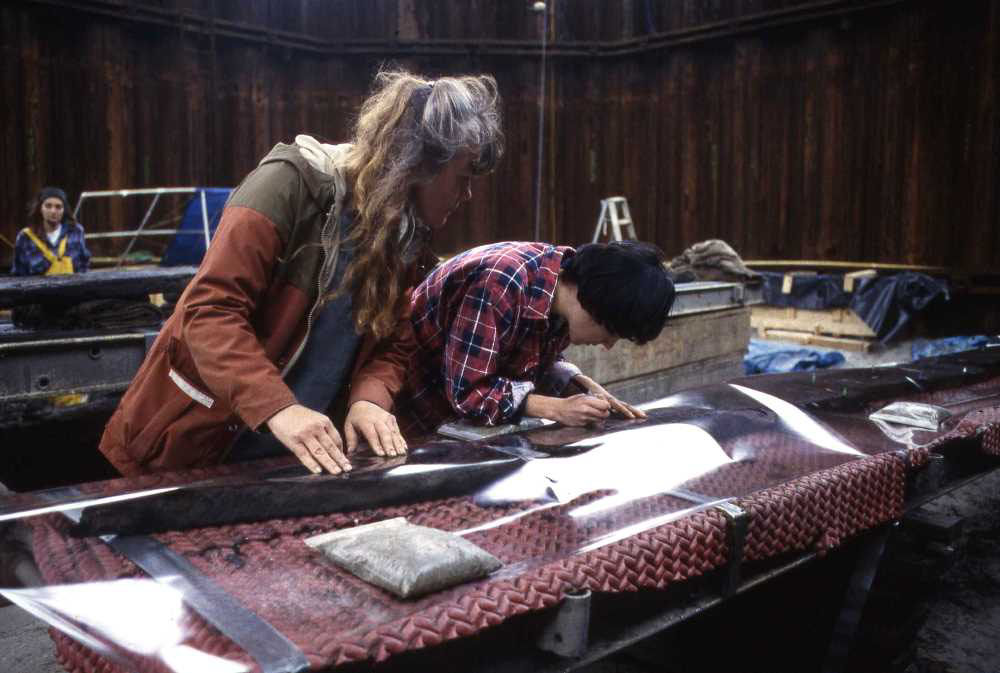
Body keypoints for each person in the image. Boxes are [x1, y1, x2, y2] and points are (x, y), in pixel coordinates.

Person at [98, 68, 504, 476]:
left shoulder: (405, 237)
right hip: (186, 451)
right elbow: (209, 313)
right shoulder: (288, 184)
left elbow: (394, 344)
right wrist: (279, 407)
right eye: (463, 177)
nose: (466, 195)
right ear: (420, 164)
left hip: (292, 465)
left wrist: (369, 397)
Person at [389, 240, 676, 436]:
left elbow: (527, 354)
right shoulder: (502, 281)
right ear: (596, 306)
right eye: (612, 332)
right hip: (405, 417)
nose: (608, 345)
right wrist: (557, 409)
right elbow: (469, 393)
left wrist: (577, 384)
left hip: (445, 421)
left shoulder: (558, 286)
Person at [11, 186, 91, 276]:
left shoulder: (76, 231)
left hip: (72, 288)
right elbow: (18, 273)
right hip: (37, 289)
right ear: (40, 208)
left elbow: (84, 266)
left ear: (64, 210)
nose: (53, 211)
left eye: (58, 207)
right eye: (48, 206)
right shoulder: (25, 237)